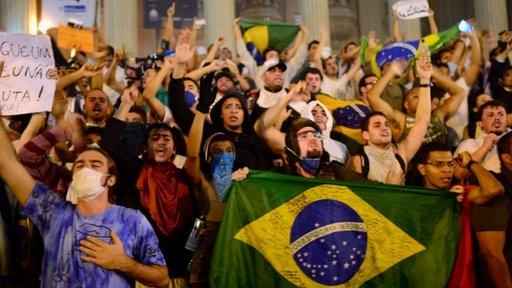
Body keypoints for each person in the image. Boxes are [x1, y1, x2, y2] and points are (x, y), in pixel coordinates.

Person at [0, 118, 169, 287]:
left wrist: (122, 262)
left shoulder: (132, 220)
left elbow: (161, 278)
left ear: (110, 180)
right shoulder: (52, 212)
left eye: (95, 165)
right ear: (72, 177)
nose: (86, 168)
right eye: (79, 165)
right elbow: (7, 163)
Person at [348, 54, 433, 184]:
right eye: (377, 125)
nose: (384, 128)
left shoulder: (402, 153)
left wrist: (425, 79)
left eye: (386, 124)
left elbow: (422, 121)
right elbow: (356, 198)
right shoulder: (358, 161)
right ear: (365, 135)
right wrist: (391, 187)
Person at [455, 100, 509, 177]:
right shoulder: (469, 144)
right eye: (490, 115)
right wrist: (485, 147)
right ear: (480, 124)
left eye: (501, 115)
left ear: (507, 120)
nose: (497, 118)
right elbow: (459, 174)